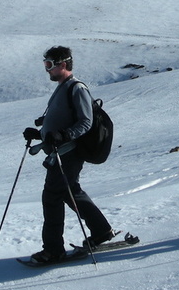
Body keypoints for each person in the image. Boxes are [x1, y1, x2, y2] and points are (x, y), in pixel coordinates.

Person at [22, 46, 115, 264]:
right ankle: (101, 230)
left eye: (49, 65)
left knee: (52, 196)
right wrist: (40, 134)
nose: (47, 70)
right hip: (60, 150)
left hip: (69, 153)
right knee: (70, 192)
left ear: (63, 64)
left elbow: (86, 121)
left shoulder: (77, 88)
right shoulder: (63, 87)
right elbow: (60, 121)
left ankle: (53, 250)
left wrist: (64, 135)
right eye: (45, 65)